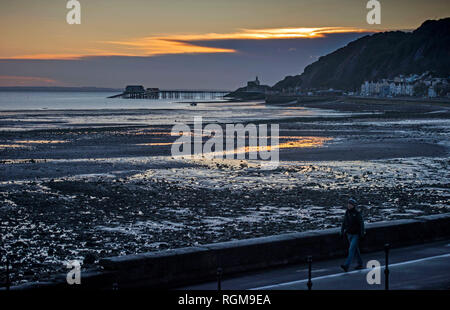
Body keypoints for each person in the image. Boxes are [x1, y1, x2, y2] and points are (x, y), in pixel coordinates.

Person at [340, 197, 365, 272]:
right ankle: (360, 263)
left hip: (355, 234)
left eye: (351, 204)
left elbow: (361, 224)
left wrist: (362, 233)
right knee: (355, 249)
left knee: (351, 249)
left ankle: (346, 265)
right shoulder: (347, 213)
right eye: (348, 204)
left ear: (354, 205)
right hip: (349, 234)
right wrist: (342, 231)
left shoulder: (357, 214)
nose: (349, 205)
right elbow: (344, 222)